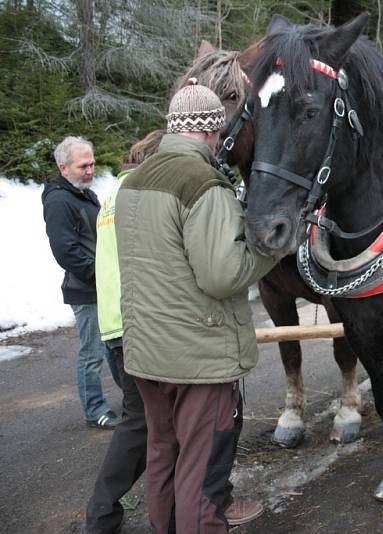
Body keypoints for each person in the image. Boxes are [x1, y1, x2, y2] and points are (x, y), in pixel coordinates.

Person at [114, 79, 279, 533]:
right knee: (202, 477)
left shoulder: (134, 180)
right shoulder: (205, 183)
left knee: (164, 456)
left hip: (147, 353)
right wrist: (272, 248)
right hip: (198, 359)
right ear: (212, 131)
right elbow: (222, 274)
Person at [85, 130, 263, 533]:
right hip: (163, 333)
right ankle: (105, 511)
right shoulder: (177, 188)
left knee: (159, 440)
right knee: (190, 450)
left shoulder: (121, 193)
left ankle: (132, 515)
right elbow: (209, 271)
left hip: (130, 328)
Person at [42, 136, 121, 429]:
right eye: (83, 166)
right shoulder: (59, 200)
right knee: (93, 352)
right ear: (64, 168)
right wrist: (99, 274)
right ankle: (94, 409)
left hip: (104, 286)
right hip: (86, 288)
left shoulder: (83, 194)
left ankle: (133, 400)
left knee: (115, 345)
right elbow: (65, 250)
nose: (90, 170)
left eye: (92, 164)